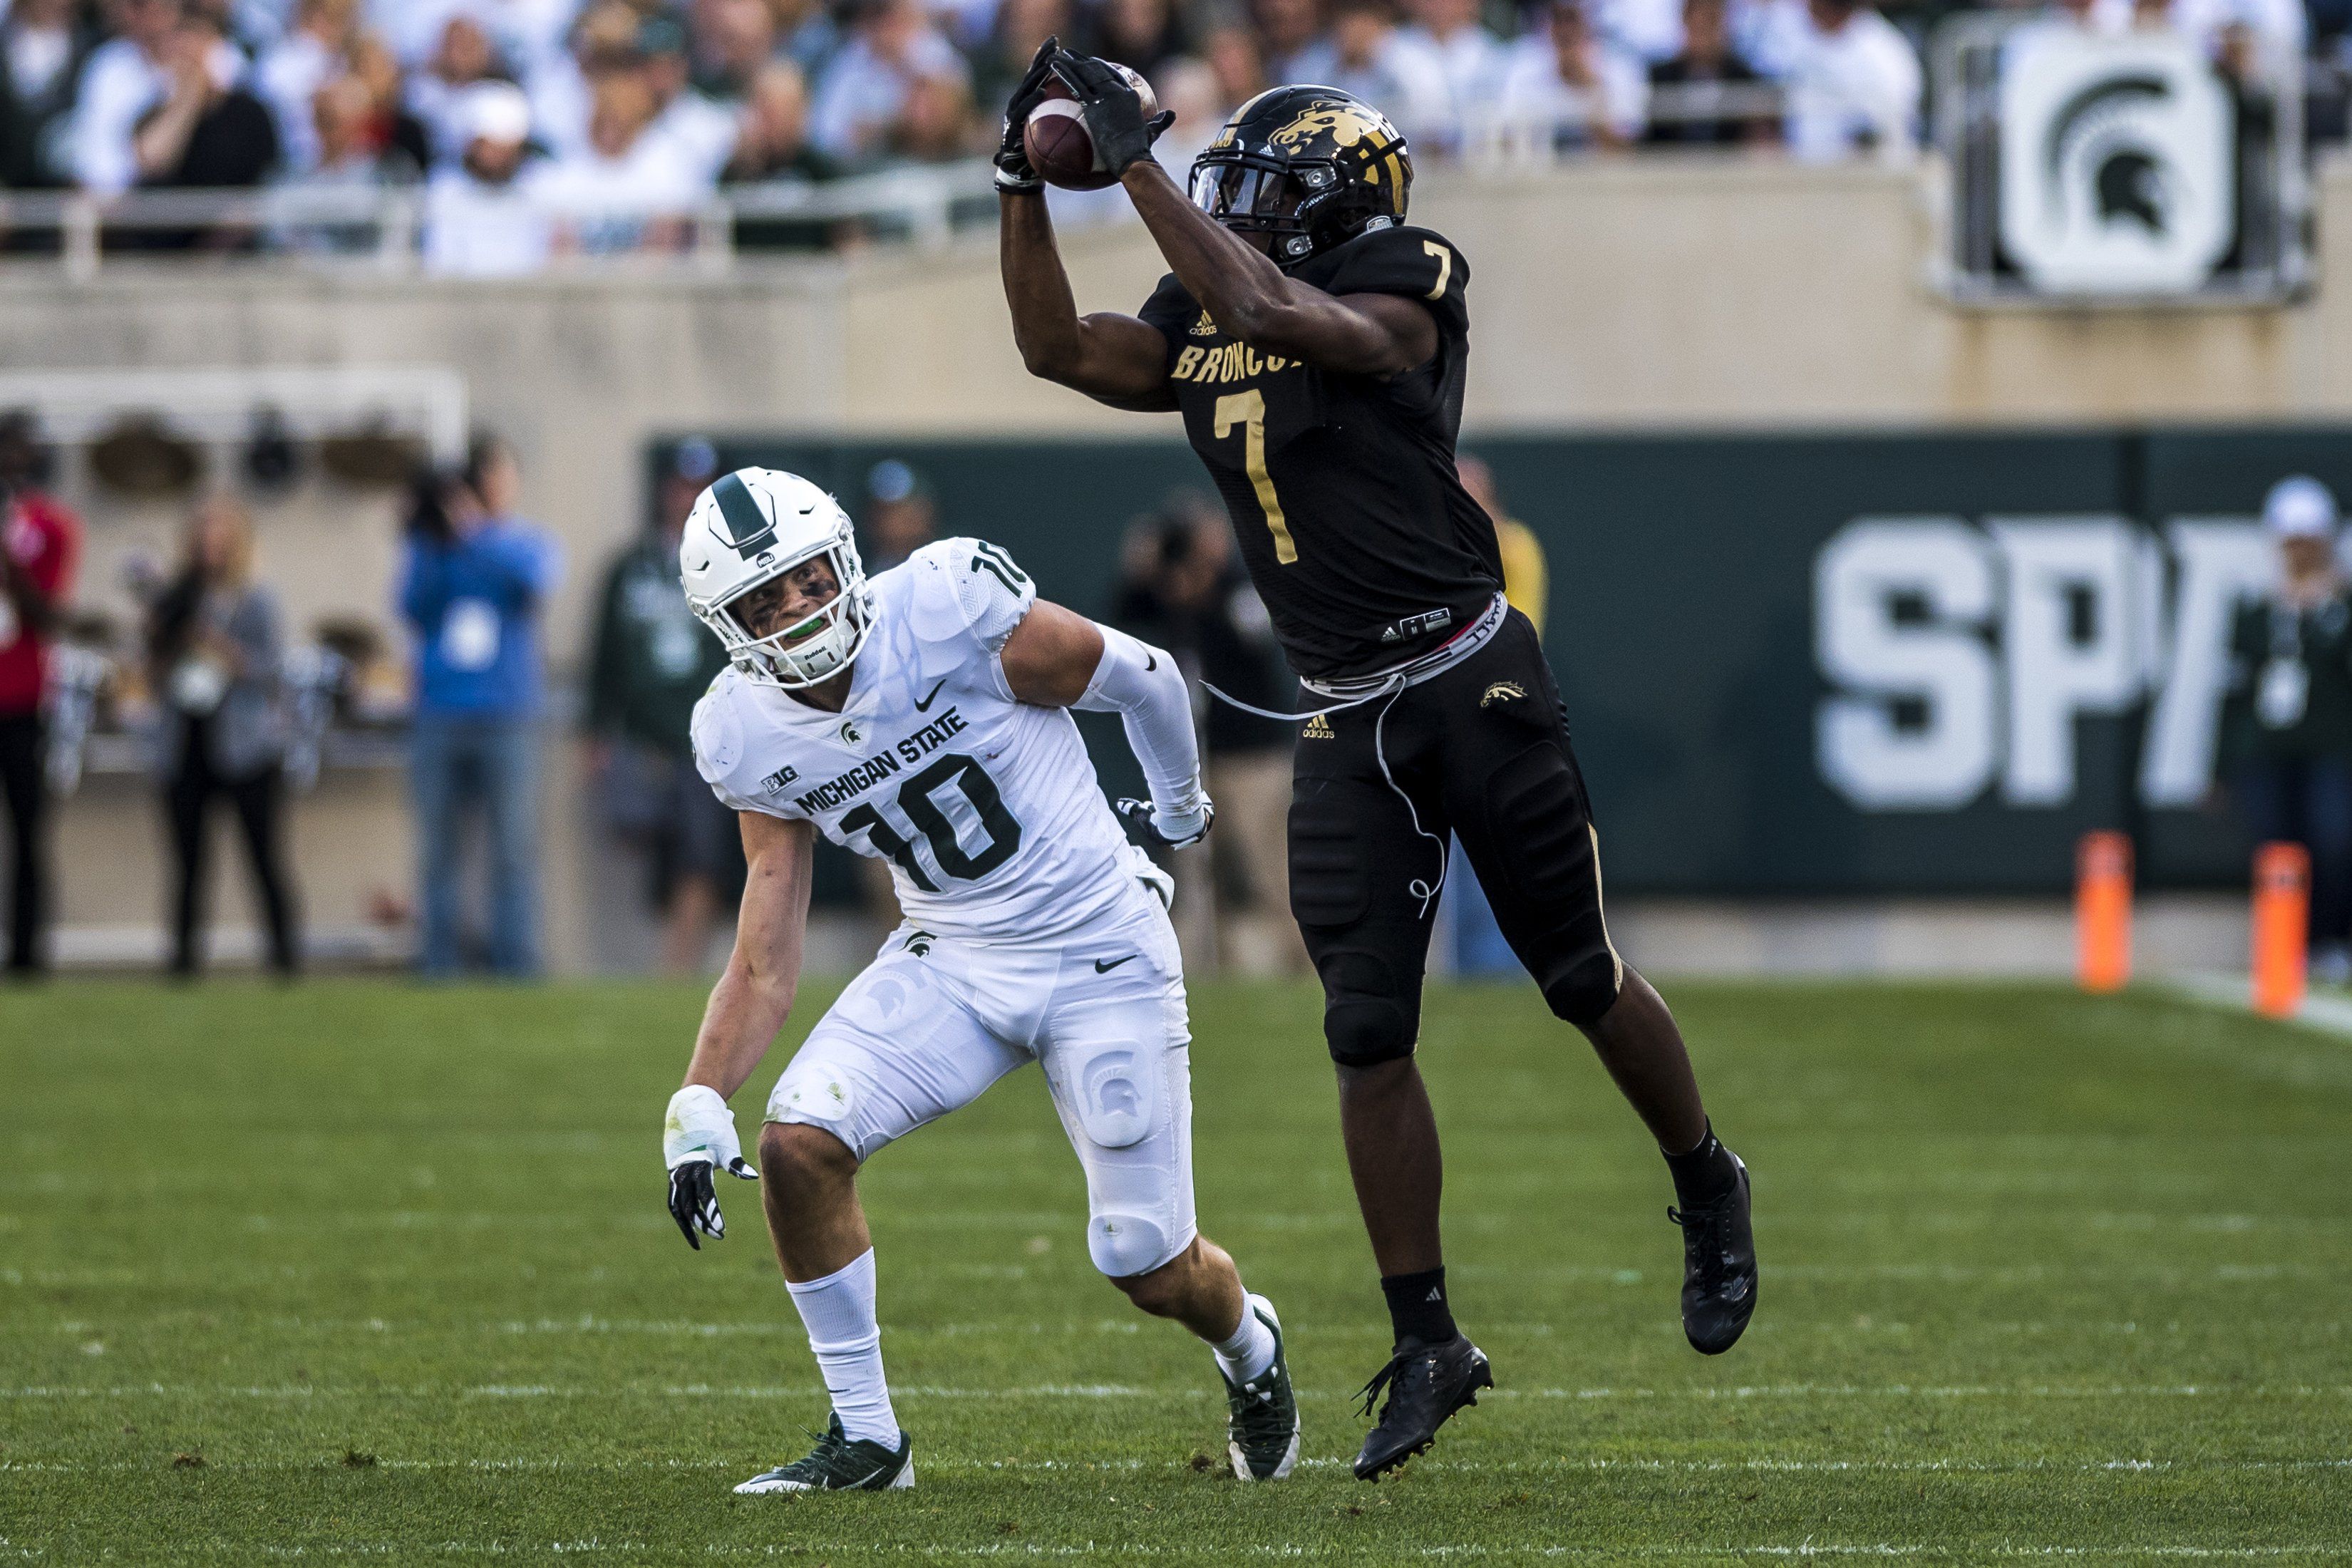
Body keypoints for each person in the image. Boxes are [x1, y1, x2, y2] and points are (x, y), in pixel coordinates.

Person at [997, 55, 1757, 1479]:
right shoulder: (1204, 295)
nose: (1240, 199)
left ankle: (1706, 1177)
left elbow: (1277, 310)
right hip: (1345, 710)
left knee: (1576, 972)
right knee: (1364, 1029)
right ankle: (1429, 1339)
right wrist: (1017, 188)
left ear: (1339, 194)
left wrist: (1138, 164)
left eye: (1266, 183)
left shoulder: (1405, 271)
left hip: (1471, 670)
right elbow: (1060, 350)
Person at [660, 466, 1301, 1490]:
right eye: (764, 600)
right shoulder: (741, 731)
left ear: (845, 560)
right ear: (724, 623)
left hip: (1098, 947)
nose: (799, 610)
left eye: (810, 579)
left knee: (1145, 1261)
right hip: (953, 957)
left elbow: (1144, 677)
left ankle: (1250, 1349)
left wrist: (1180, 813)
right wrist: (699, 1095)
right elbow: (765, 948)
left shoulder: (944, 607)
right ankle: (869, 1440)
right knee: (796, 1146)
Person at [398, 436, 559, 978]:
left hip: (507, 716)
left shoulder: (522, 541)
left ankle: (515, 964)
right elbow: (410, 606)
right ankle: (439, 964)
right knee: (439, 848)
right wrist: (428, 535)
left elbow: (537, 581)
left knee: (513, 847)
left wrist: (476, 532)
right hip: (441, 715)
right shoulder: (435, 546)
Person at [584, 438, 738, 974]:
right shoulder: (629, 568)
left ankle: (677, 969)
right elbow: (604, 654)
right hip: (642, 739)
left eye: (699, 488)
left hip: (708, 740)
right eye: (680, 486)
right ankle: (652, 966)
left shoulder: (733, 568)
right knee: (638, 844)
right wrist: (595, 734)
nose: (687, 497)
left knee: (702, 856)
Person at [144, 495, 301, 978]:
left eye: (219, 534)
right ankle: (184, 966)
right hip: (186, 742)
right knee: (188, 864)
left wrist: (220, 647)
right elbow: (152, 673)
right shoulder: (177, 598)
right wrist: (167, 638)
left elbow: (272, 667)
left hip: (245, 745)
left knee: (264, 858)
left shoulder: (257, 598)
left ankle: (285, 963)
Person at [2219, 477, 2352, 983]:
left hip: (2333, 747)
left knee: (2334, 840)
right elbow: (2234, 695)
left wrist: (2325, 610)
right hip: (2269, 749)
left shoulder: (2340, 609)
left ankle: (2331, 939)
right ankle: (2285, 943)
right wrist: (2221, 765)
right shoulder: (2258, 613)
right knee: (2276, 844)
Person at [0, 413, 78, 978]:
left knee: (28, 831)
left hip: (22, 700)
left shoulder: (48, 525)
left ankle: (28, 958)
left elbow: (47, 615)